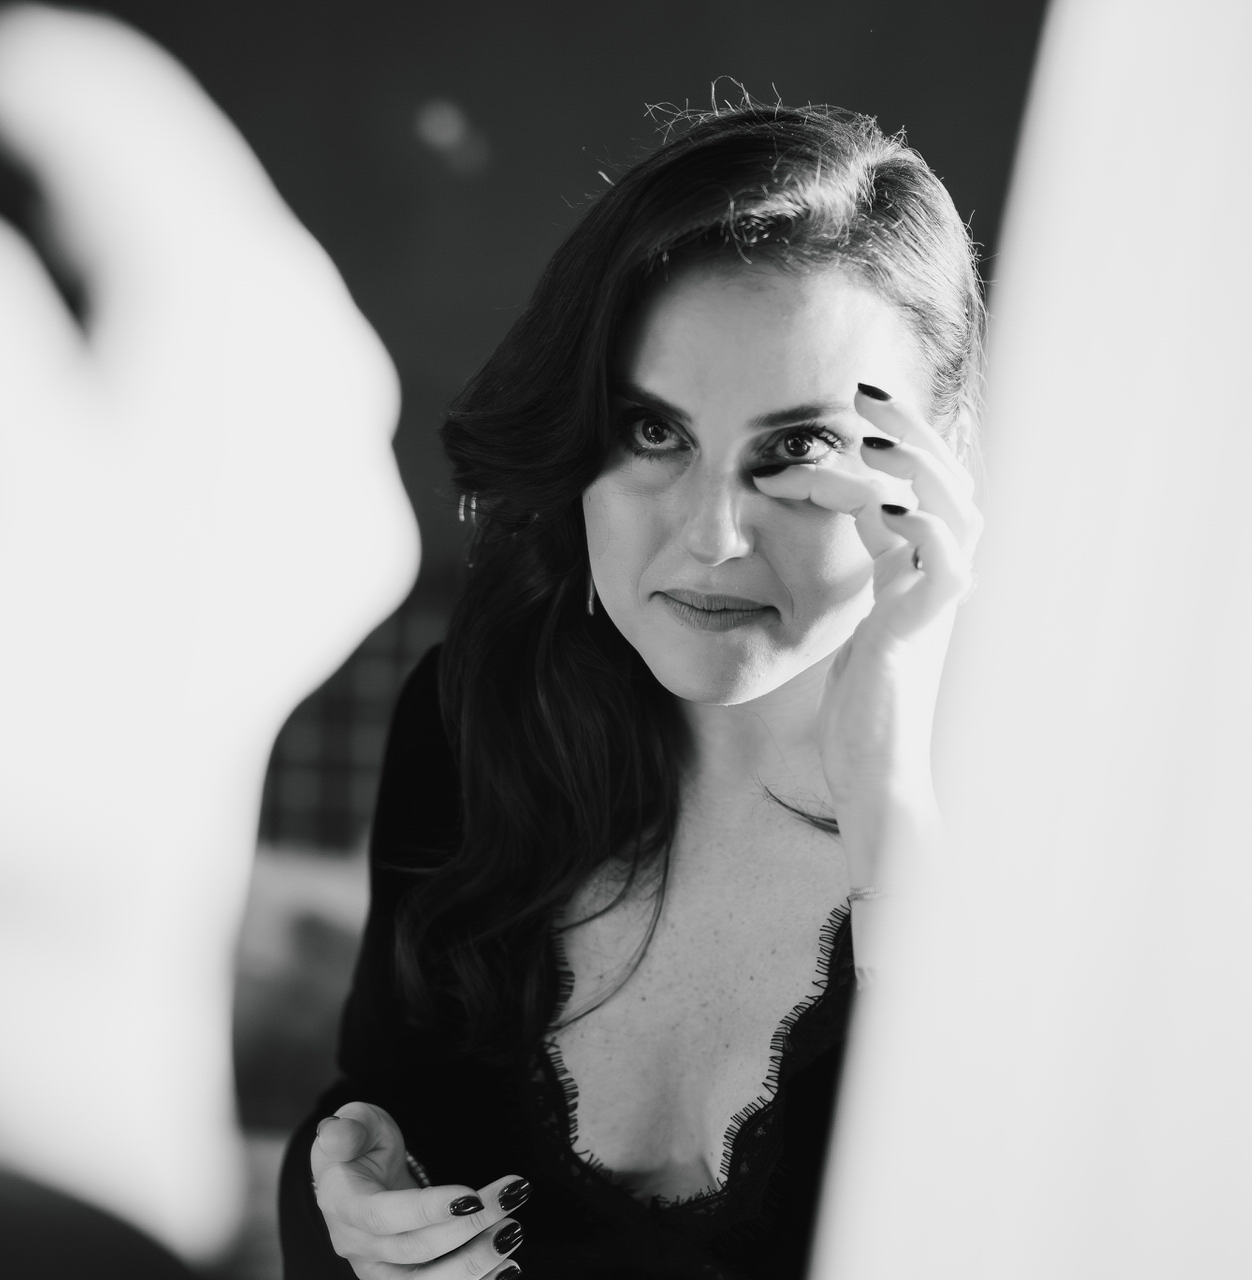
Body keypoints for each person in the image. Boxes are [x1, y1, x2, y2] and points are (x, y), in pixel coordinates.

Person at [278, 99, 984, 1279]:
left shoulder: (1052, 829)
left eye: (797, 447)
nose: (711, 535)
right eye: (651, 429)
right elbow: (376, 1106)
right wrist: (348, 1202)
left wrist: (893, 819)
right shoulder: (475, 717)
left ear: (939, 455)